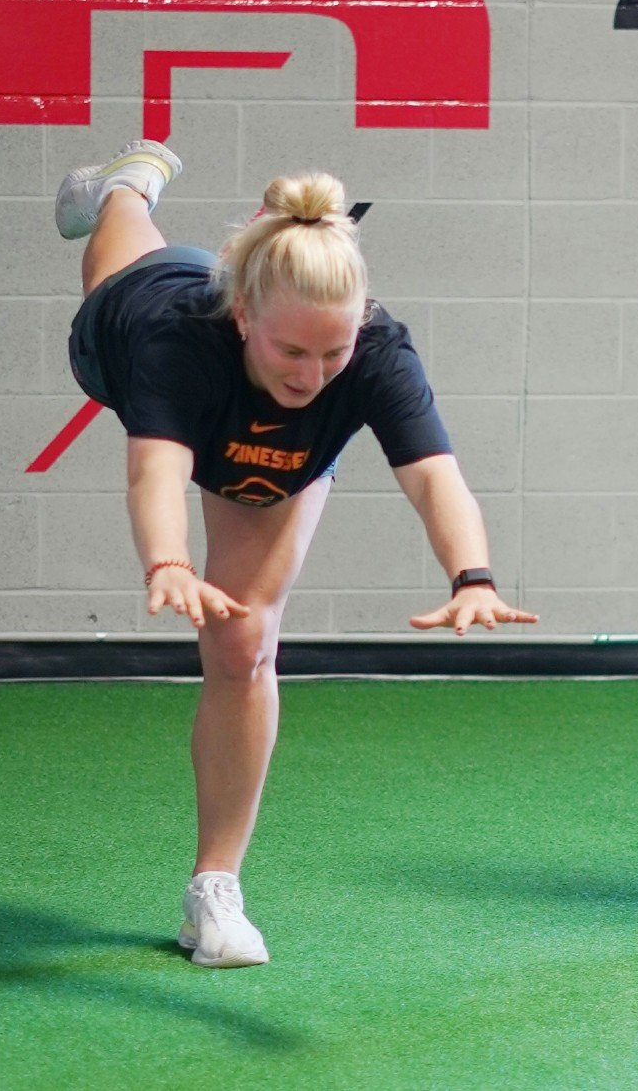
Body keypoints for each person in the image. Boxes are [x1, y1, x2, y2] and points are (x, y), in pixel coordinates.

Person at [56, 142, 536, 967]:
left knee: (243, 646)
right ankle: (127, 187)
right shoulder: (181, 339)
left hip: (274, 457)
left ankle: (214, 888)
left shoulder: (378, 351)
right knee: (130, 259)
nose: (314, 374)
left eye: (333, 352)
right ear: (244, 317)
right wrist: (168, 561)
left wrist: (473, 575)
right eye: (292, 352)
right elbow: (157, 470)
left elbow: (435, 480)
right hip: (133, 331)